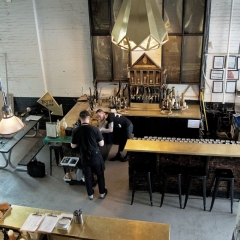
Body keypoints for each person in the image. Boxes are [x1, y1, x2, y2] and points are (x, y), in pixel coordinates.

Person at [71, 110, 108, 200]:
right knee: (100, 175)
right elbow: (102, 144)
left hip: (84, 156)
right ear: (89, 118)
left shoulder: (76, 130)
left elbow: (73, 145)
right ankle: (102, 193)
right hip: (95, 156)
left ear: (80, 119)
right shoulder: (95, 129)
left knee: (88, 176)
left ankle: (90, 195)